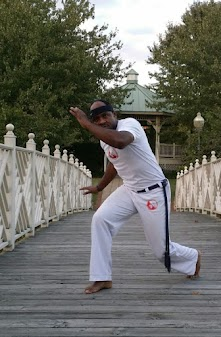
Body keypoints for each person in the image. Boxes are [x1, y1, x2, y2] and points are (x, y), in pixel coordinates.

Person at [69, 99, 201, 294]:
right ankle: (102, 278)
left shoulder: (130, 125)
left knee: (161, 251)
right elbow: (114, 163)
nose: (102, 121)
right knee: (100, 219)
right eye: (97, 119)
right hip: (130, 190)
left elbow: (120, 142)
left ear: (114, 114)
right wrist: (99, 187)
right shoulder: (104, 139)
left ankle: (192, 257)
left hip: (153, 191)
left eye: (105, 116)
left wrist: (86, 123)